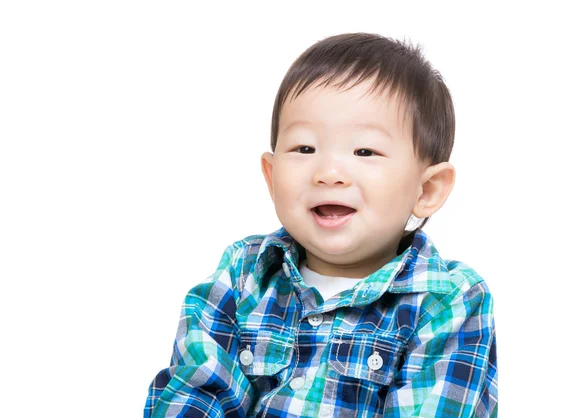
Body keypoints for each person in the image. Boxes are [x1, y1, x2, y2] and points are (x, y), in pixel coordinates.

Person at [144, 32, 498, 417]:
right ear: (271, 174)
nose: (329, 173)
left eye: (365, 151)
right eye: (305, 149)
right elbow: (196, 394)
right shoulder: (243, 275)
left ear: (427, 189)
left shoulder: (448, 300)